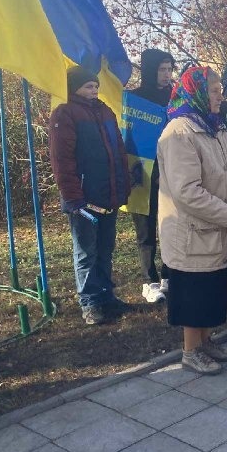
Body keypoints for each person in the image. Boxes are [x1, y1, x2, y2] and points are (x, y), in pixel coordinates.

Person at [158, 66, 227, 375]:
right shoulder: (179, 132)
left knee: (211, 291)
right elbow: (187, 192)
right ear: (196, 92)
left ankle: (206, 341)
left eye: (219, 91)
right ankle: (190, 351)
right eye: (214, 92)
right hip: (191, 230)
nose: (220, 97)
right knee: (194, 294)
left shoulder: (216, 126)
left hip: (216, 226)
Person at [48, 66, 131, 325]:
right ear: (74, 88)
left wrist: (123, 185)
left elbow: (118, 151)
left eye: (95, 86)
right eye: (88, 86)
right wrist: (72, 197)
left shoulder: (106, 112)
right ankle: (90, 302)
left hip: (108, 194)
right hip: (84, 199)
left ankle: (106, 294)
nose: (94, 90)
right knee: (86, 251)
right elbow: (62, 159)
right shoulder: (65, 114)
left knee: (106, 248)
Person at [127, 48, 176, 304]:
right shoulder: (133, 99)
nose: (167, 75)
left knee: (169, 223)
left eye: (169, 69)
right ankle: (149, 280)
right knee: (145, 230)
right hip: (143, 170)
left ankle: (169, 274)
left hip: (171, 169)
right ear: (150, 70)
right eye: (162, 69)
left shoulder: (176, 97)